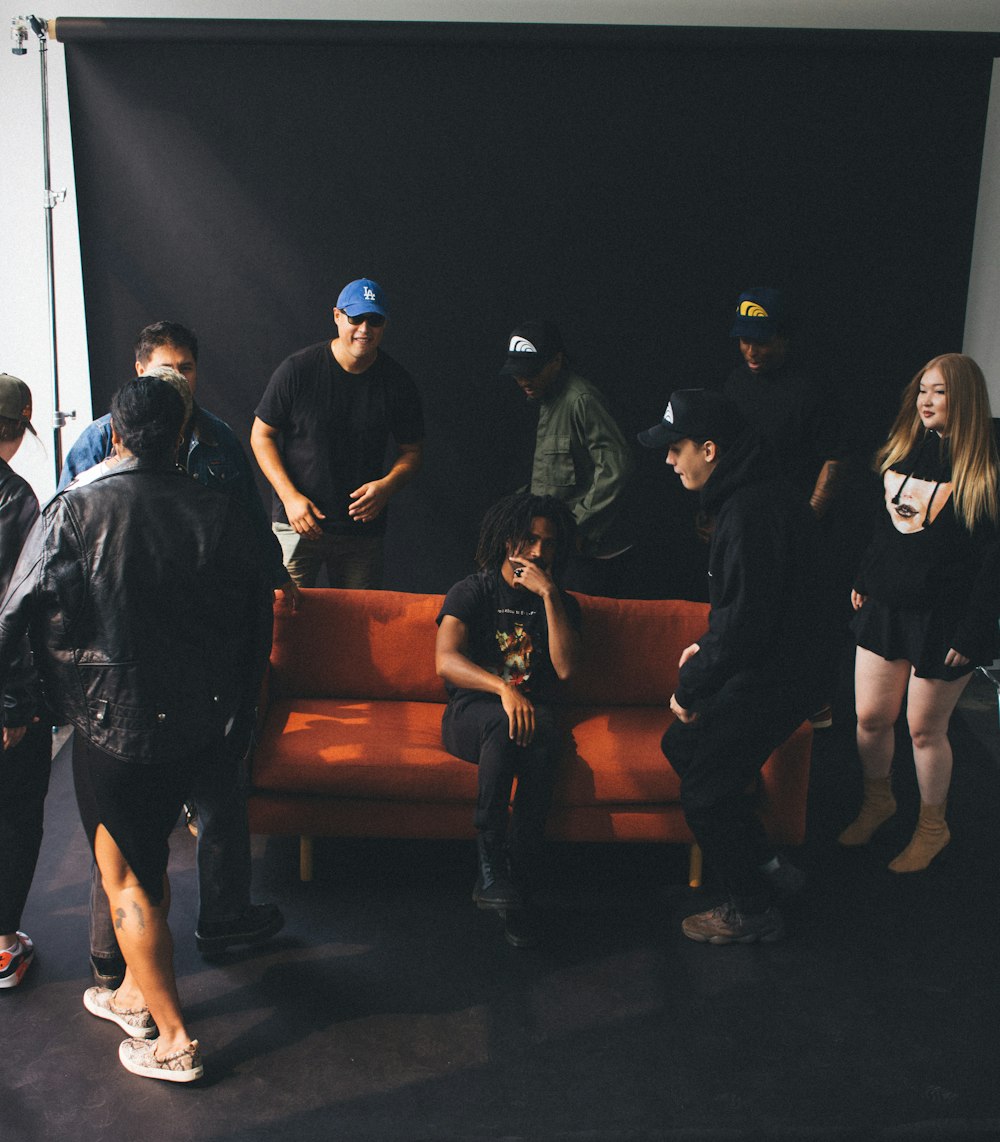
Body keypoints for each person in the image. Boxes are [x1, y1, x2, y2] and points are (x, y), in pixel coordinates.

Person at [0, 375, 273, 1080]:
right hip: (204, 722)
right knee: (137, 861)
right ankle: (129, 992)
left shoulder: (72, 509)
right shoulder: (221, 510)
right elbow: (258, 618)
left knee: (130, 877)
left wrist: (17, 708)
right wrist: (242, 717)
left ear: (114, 434)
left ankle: (174, 1038)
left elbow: (13, 617)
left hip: (112, 725)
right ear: (184, 436)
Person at [59, 322, 287, 984]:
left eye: (185, 369)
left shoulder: (217, 440)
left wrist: (274, 576)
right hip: (121, 664)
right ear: (136, 375)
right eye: (163, 371)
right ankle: (111, 964)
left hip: (200, 655)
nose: (175, 383)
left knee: (218, 796)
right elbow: (66, 546)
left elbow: (249, 528)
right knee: (120, 829)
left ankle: (222, 916)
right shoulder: (95, 446)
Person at [638, 389, 830, 944]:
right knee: (684, 749)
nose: (670, 460)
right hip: (777, 661)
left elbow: (747, 621)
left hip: (780, 674)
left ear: (711, 449)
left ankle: (749, 909)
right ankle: (766, 864)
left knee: (704, 790)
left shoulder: (750, 510)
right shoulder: (751, 498)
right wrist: (708, 650)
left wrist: (693, 688)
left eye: (677, 449)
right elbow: (750, 610)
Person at [840, 353, 1000, 872]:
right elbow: (884, 530)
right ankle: (878, 802)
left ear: (966, 400)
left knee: (924, 731)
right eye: (923, 391)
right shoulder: (905, 452)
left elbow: (993, 564)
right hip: (886, 608)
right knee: (869, 718)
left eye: (940, 392)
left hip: (944, 620)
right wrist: (866, 578)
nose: (926, 401)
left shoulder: (984, 469)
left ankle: (933, 827)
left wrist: (974, 630)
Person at [435, 492, 581, 947]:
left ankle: (517, 877)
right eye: (529, 540)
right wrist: (502, 689)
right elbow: (445, 660)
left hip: (530, 716)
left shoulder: (560, 601)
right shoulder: (473, 590)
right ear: (506, 541)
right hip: (471, 714)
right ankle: (489, 863)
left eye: (549, 544)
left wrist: (550, 595)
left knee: (542, 740)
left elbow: (565, 669)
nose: (538, 552)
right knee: (505, 723)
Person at [724, 287, 847, 728]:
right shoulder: (737, 382)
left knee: (793, 623)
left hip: (793, 527)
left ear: (784, 338)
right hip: (743, 524)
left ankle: (811, 708)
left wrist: (807, 518)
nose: (750, 350)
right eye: (743, 340)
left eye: (761, 341)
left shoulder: (810, 388)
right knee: (740, 615)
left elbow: (834, 458)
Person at [251, 278, 424, 588]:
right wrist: (290, 498)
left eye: (375, 320)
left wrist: (386, 487)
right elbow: (261, 435)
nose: (364, 329)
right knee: (285, 620)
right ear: (337, 316)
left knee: (357, 629)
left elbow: (411, 452)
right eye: (356, 318)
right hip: (298, 524)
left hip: (361, 533)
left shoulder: (397, 383)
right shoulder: (298, 370)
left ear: (384, 324)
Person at [500, 320, 634, 595]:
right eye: (517, 373)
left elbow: (616, 468)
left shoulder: (581, 400)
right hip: (552, 548)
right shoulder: (543, 400)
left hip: (585, 555)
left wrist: (575, 527)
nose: (523, 380)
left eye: (531, 371)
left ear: (557, 361)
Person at [0, 375, 52, 989]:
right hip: (6, 691)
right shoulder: (15, 500)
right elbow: (15, 613)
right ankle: (4, 946)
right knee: (14, 814)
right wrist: (14, 705)